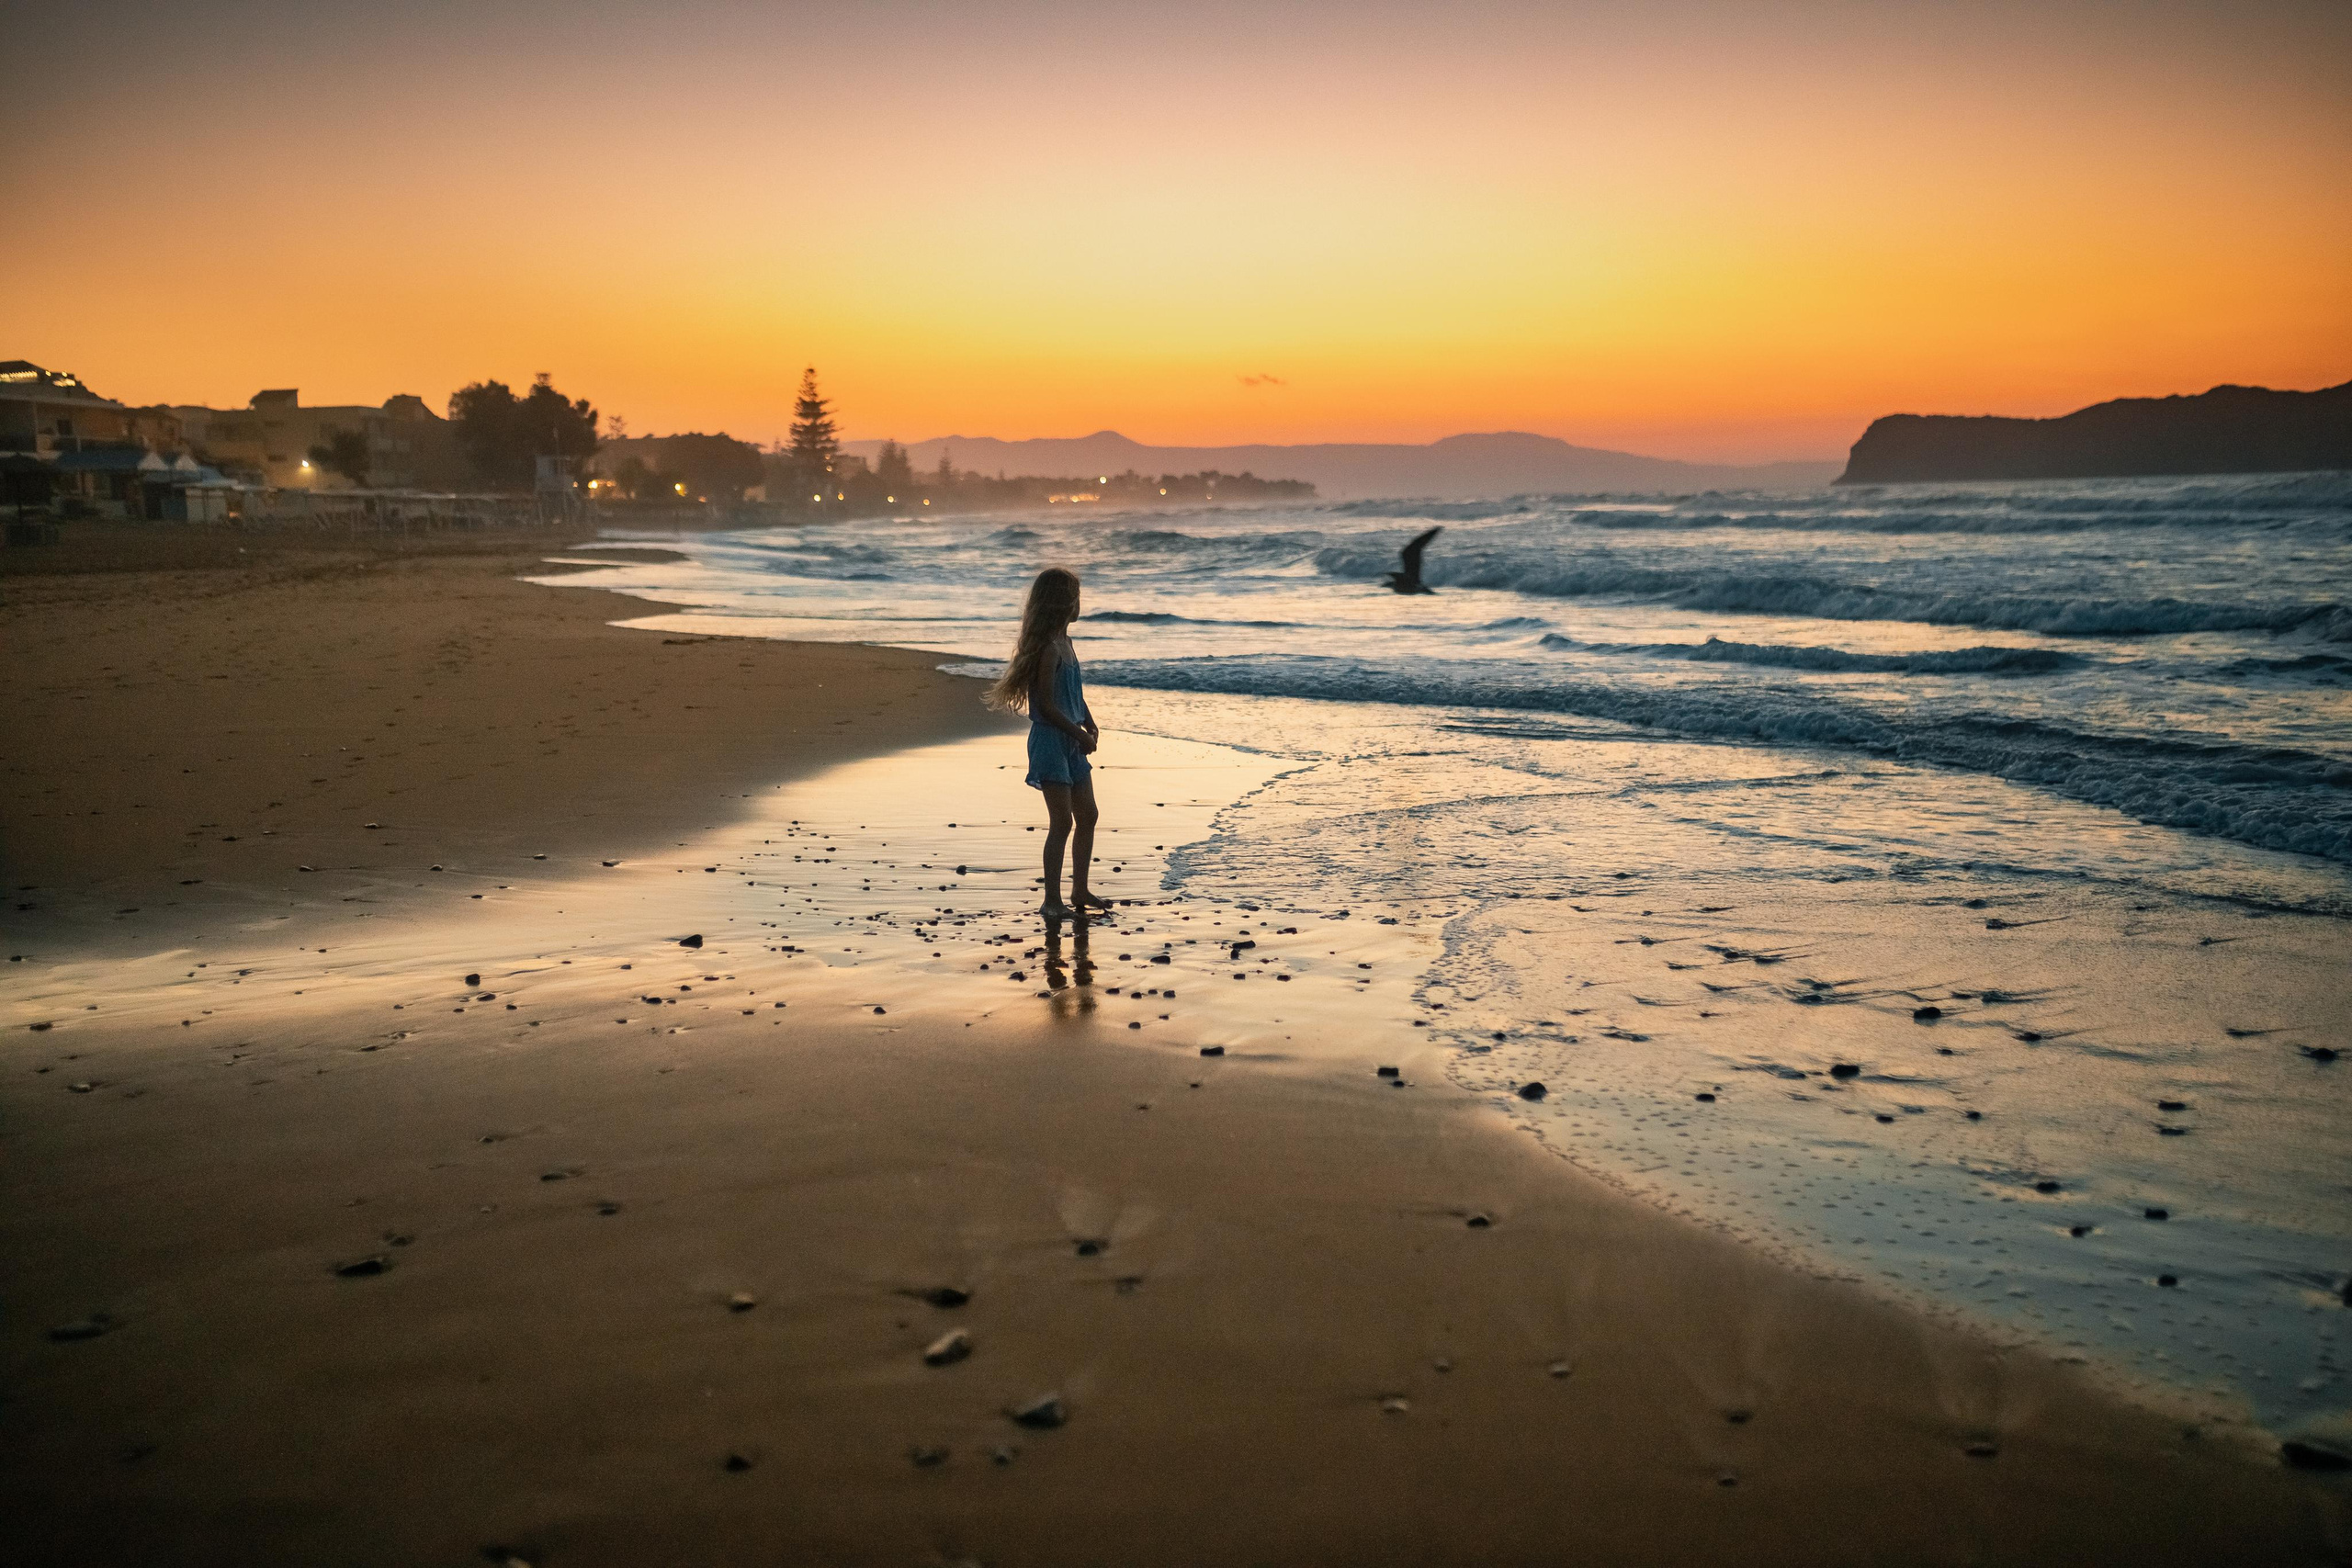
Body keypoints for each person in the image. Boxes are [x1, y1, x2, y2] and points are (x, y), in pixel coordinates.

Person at [987, 567, 1108, 918]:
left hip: (1071, 739)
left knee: (1088, 815)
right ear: (1063, 603)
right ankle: (1051, 901)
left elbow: (1074, 695)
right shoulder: (1048, 650)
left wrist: (1090, 722)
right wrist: (1078, 733)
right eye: (1075, 596)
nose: (1079, 603)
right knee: (1062, 822)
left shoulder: (1067, 644)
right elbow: (1046, 705)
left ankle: (1080, 889)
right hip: (1051, 741)